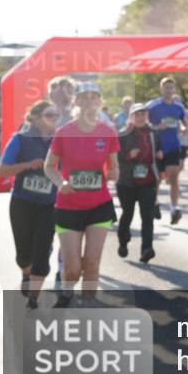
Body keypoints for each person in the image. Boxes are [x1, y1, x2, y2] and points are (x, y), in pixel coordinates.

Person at [43, 82, 119, 308]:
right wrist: (61, 182)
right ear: (76, 102)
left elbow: (114, 167)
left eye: (93, 97)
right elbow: (49, 166)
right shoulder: (64, 133)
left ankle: (88, 306)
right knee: (73, 268)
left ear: (99, 102)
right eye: (83, 97)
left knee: (92, 264)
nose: (89, 101)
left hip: (99, 206)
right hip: (68, 206)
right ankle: (67, 292)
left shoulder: (108, 133)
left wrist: (114, 172)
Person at [0, 100, 59, 310]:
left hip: (49, 203)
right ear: (36, 118)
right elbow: (3, 170)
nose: (54, 120)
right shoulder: (20, 139)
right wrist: (27, 165)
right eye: (49, 115)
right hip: (22, 202)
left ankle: (34, 297)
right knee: (24, 253)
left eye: (56, 116)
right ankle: (26, 270)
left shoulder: (59, 140)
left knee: (43, 248)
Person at [116, 102, 164, 263]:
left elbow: (158, 147)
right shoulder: (122, 134)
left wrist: (159, 153)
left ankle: (147, 249)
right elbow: (115, 157)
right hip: (126, 182)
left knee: (147, 216)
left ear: (147, 116)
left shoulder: (153, 133)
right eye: (137, 114)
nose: (140, 117)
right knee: (127, 214)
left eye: (143, 114)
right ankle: (123, 241)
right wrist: (128, 155)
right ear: (131, 117)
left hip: (148, 181)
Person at [148, 78, 188, 225]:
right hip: (157, 147)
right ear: (161, 89)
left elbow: (184, 122)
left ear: (174, 90)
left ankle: (174, 209)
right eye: (166, 88)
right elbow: (144, 123)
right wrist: (157, 127)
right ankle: (154, 203)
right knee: (157, 179)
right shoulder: (153, 106)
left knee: (173, 178)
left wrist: (184, 129)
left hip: (173, 146)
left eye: (171, 88)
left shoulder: (178, 107)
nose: (168, 90)